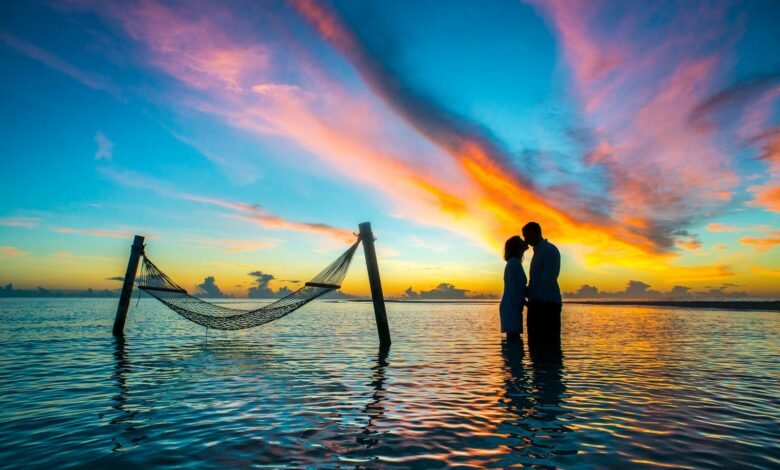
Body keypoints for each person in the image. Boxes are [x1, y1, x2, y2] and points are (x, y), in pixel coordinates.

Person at [522, 222, 562, 340]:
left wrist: (535, 303)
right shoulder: (540, 251)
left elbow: (548, 279)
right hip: (539, 304)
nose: (525, 240)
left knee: (547, 345)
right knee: (536, 346)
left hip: (546, 306)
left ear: (534, 232)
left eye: (526, 235)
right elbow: (537, 281)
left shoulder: (548, 250)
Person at [499, 235, 528, 342]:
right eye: (521, 241)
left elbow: (517, 288)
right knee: (513, 342)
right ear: (517, 247)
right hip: (511, 308)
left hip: (511, 307)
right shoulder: (514, 263)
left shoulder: (514, 263)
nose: (524, 241)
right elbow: (515, 289)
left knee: (513, 342)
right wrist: (528, 303)